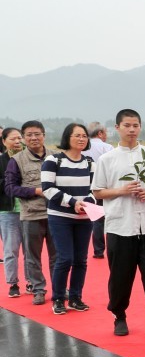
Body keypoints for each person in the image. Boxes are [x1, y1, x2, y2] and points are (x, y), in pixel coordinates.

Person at [91, 110, 145, 337]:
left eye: (136, 125)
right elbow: (98, 191)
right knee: (120, 276)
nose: (132, 129)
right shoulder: (107, 159)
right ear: (117, 128)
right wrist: (122, 190)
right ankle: (119, 317)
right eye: (127, 125)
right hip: (120, 226)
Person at [41, 123, 96, 315]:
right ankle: (58, 298)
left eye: (84, 136)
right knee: (65, 258)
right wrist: (73, 202)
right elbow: (48, 188)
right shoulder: (53, 160)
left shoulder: (89, 162)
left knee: (81, 260)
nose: (82, 139)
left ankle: (75, 297)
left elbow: (95, 188)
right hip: (60, 216)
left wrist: (88, 202)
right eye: (77, 135)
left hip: (84, 217)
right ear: (67, 137)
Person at [5, 121, 55, 306]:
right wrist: (35, 191)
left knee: (58, 256)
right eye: (29, 135)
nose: (33, 138)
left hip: (56, 214)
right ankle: (38, 289)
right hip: (31, 215)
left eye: (37, 134)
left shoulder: (56, 157)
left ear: (44, 135)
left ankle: (59, 290)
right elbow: (10, 188)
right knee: (32, 256)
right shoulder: (16, 160)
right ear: (24, 138)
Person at [1, 128, 28, 297]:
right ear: (4, 141)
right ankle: (13, 284)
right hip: (8, 211)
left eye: (20, 138)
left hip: (29, 210)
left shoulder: (28, 158)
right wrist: (12, 181)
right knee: (11, 249)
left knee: (30, 250)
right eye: (13, 138)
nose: (18, 141)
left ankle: (32, 281)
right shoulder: (1, 161)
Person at [83, 122, 114, 259]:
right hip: (105, 187)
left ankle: (98, 250)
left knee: (96, 219)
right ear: (100, 133)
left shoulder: (82, 147)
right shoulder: (107, 147)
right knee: (110, 217)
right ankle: (112, 248)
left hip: (86, 187)